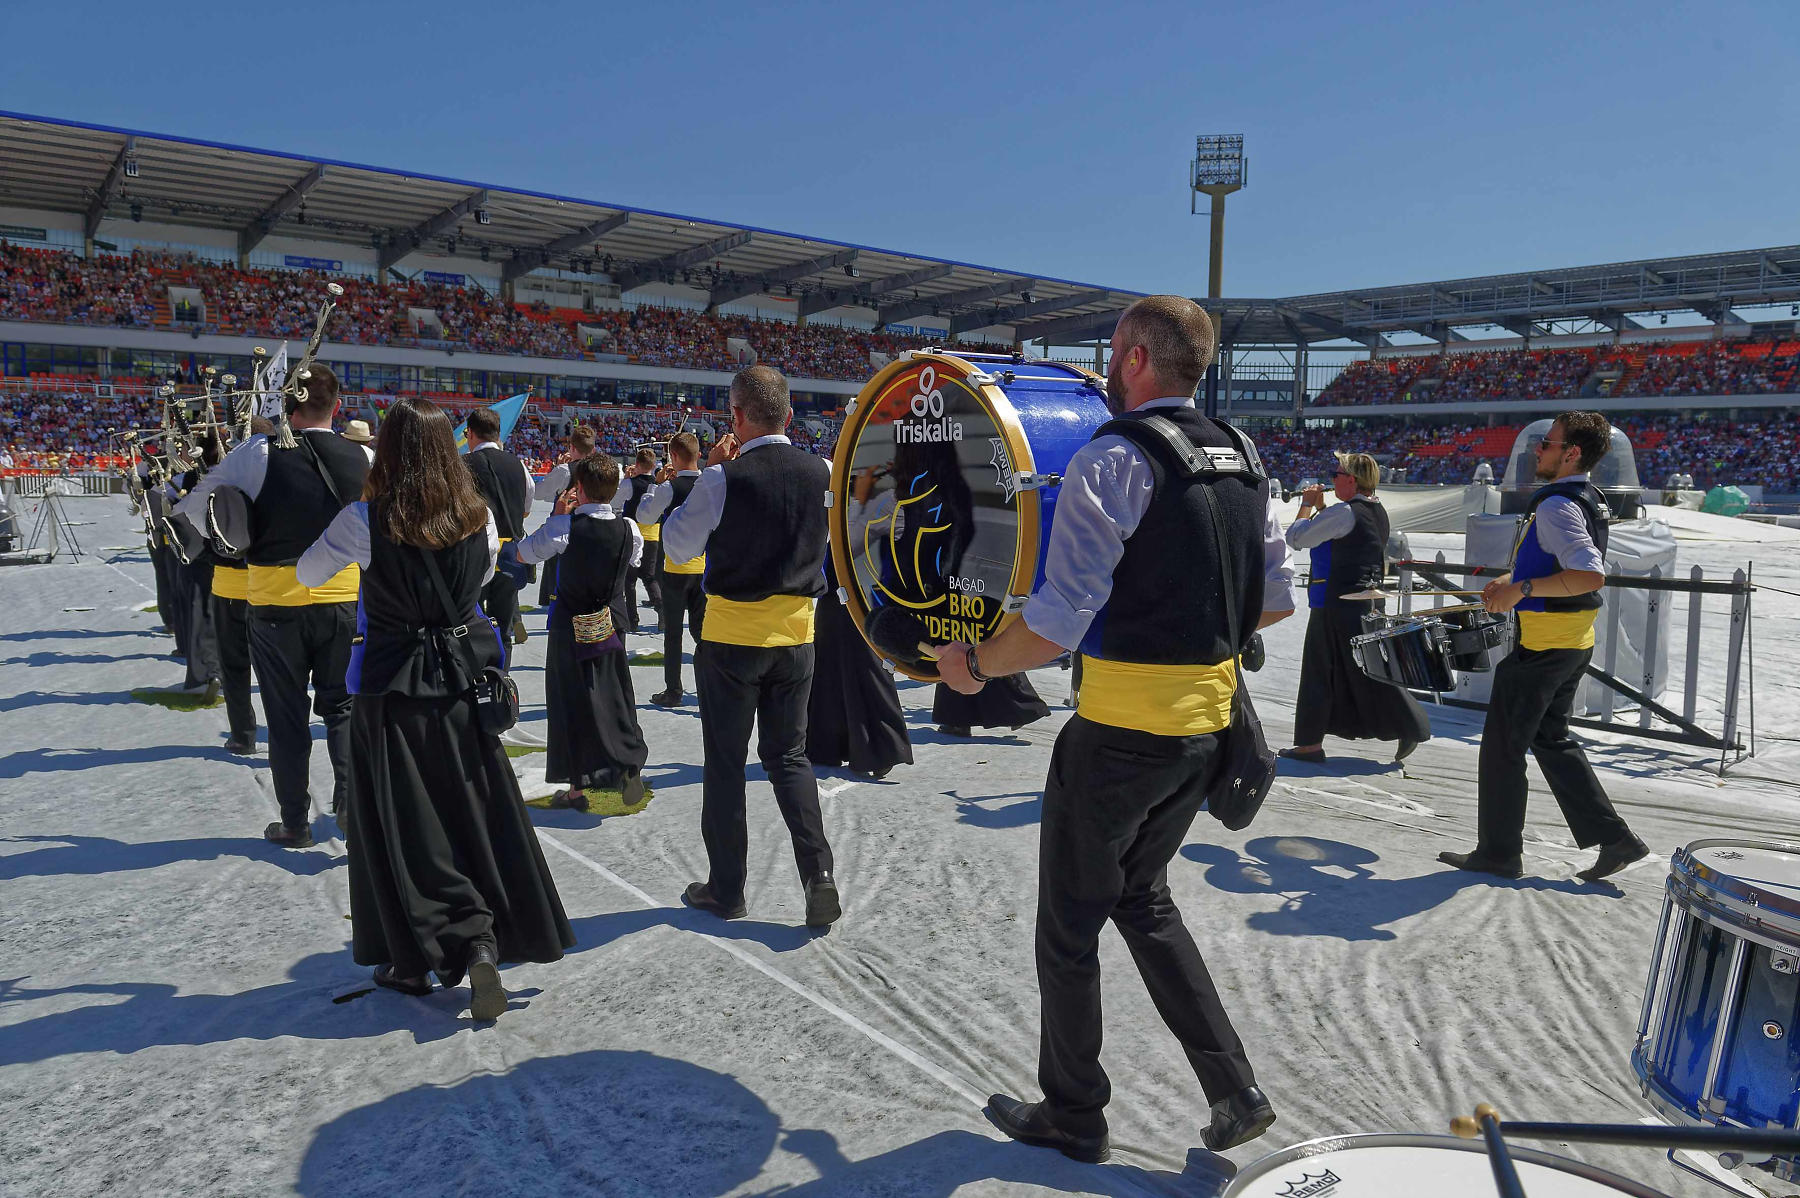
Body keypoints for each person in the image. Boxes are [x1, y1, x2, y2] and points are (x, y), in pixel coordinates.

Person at [937, 296, 1295, 1163]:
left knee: (1068, 928)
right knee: (1143, 899)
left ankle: (1074, 1112)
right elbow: (1279, 602)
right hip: (1206, 729)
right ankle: (1233, 1088)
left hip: (1121, 734)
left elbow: (1057, 624)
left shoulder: (1113, 460)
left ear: (1135, 357)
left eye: (1111, 353)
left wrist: (977, 666)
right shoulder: (1245, 456)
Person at [297, 396, 573, 1019]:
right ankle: (483, 938)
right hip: (458, 683)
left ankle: (427, 951)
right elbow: (475, 589)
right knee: (472, 812)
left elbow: (309, 573)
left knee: (400, 826)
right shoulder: (476, 518)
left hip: (390, 686)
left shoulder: (365, 518)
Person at [663, 365, 840, 928]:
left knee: (725, 764)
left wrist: (715, 472)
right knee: (789, 757)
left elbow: (677, 544)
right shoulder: (825, 472)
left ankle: (727, 888)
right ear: (789, 416)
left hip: (732, 638)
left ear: (735, 418)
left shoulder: (722, 478)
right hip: (797, 635)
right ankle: (819, 874)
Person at [1439, 412, 1647, 883]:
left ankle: (1498, 853)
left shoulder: (1557, 505)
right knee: (1550, 739)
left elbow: (1589, 574)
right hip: (1570, 642)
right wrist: (1513, 581)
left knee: (1500, 750)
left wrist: (1524, 591)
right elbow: (1559, 566)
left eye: (1548, 444)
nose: (1539, 450)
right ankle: (1615, 839)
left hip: (1544, 648)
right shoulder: (1584, 497)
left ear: (1571, 452)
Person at [178, 365, 371, 847]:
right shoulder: (364, 456)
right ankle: (348, 803)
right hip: (344, 598)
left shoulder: (256, 452)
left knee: (286, 718)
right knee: (343, 709)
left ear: (287, 406)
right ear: (338, 407)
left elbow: (199, 512)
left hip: (271, 602)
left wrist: (239, 533)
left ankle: (294, 822)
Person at [516, 452, 650, 812]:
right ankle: (627, 761)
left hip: (570, 625)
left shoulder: (564, 528)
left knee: (570, 704)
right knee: (615, 695)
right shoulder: (629, 528)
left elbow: (525, 554)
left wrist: (560, 515)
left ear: (579, 489)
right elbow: (633, 561)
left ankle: (578, 786)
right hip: (610, 620)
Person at [1280, 451, 1429, 764]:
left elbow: (1297, 538)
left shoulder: (1345, 512)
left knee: (1320, 671)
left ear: (1351, 479)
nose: (1332, 479)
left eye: (1336, 474)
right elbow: (1340, 537)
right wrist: (1322, 507)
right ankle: (1312, 743)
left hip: (1337, 601)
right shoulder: (1375, 510)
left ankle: (1311, 744)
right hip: (1363, 600)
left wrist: (1306, 505)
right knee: (1363, 668)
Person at [636, 431, 708, 706]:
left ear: (673, 457)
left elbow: (645, 516)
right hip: (703, 570)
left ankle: (673, 690)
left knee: (674, 634)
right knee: (703, 635)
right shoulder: (710, 484)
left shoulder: (669, 487)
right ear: (698, 454)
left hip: (675, 569)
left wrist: (656, 485)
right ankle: (707, 688)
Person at [462, 405, 533, 659]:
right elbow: (526, 508)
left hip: (474, 555)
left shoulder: (462, 465)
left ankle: (475, 679)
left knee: (469, 622)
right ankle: (501, 679)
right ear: (498, 433)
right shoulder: (519, 465)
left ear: (469, 434)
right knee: (503, 626)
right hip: (510, 555)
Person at [533, 424, 597, 610]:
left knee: (557, 568)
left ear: (572, 447)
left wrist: (557, 468)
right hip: (589, 526)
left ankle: (555, 602)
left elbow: (539, 493)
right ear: (593, 449)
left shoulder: (564, 470)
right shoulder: (600, 469)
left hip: (564, 525)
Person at [620, 447, 664, 632]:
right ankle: (662, 612)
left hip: (633, 533)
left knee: (629, 581)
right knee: (649, 577)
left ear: (636, 464)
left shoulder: (631, 484)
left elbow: (615, 499)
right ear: (654, 466)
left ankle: (633, 620)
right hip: (653, 535)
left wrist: (626, 478)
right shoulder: (659, 486)